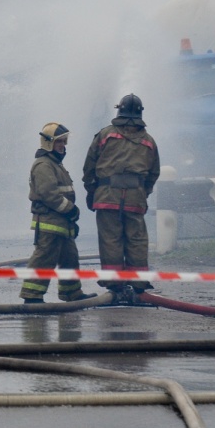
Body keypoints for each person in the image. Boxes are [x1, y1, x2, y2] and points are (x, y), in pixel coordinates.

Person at [83, 94, 161, 294]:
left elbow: (89, 167)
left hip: (107, 196)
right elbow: (154, 172)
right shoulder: (149, 141)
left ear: (119, 110)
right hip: (136, 198)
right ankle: (138, 283)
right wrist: (144, 191)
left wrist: (92, 191)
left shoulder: (105, 135)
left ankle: (114, 283)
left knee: (111, 239)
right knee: (136, 239)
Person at [21, 122, 93, 304]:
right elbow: (49, 194)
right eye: (59, 142)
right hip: (49, 222)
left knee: (70, 258)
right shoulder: (43, 165)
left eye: (64, 141)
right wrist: (70, 210)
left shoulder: (55, 164)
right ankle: (32, 296)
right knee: (44, 259)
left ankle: (72, 293)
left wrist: (70, 216)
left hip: (62, 223)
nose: (63, 146)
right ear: (48, 143)